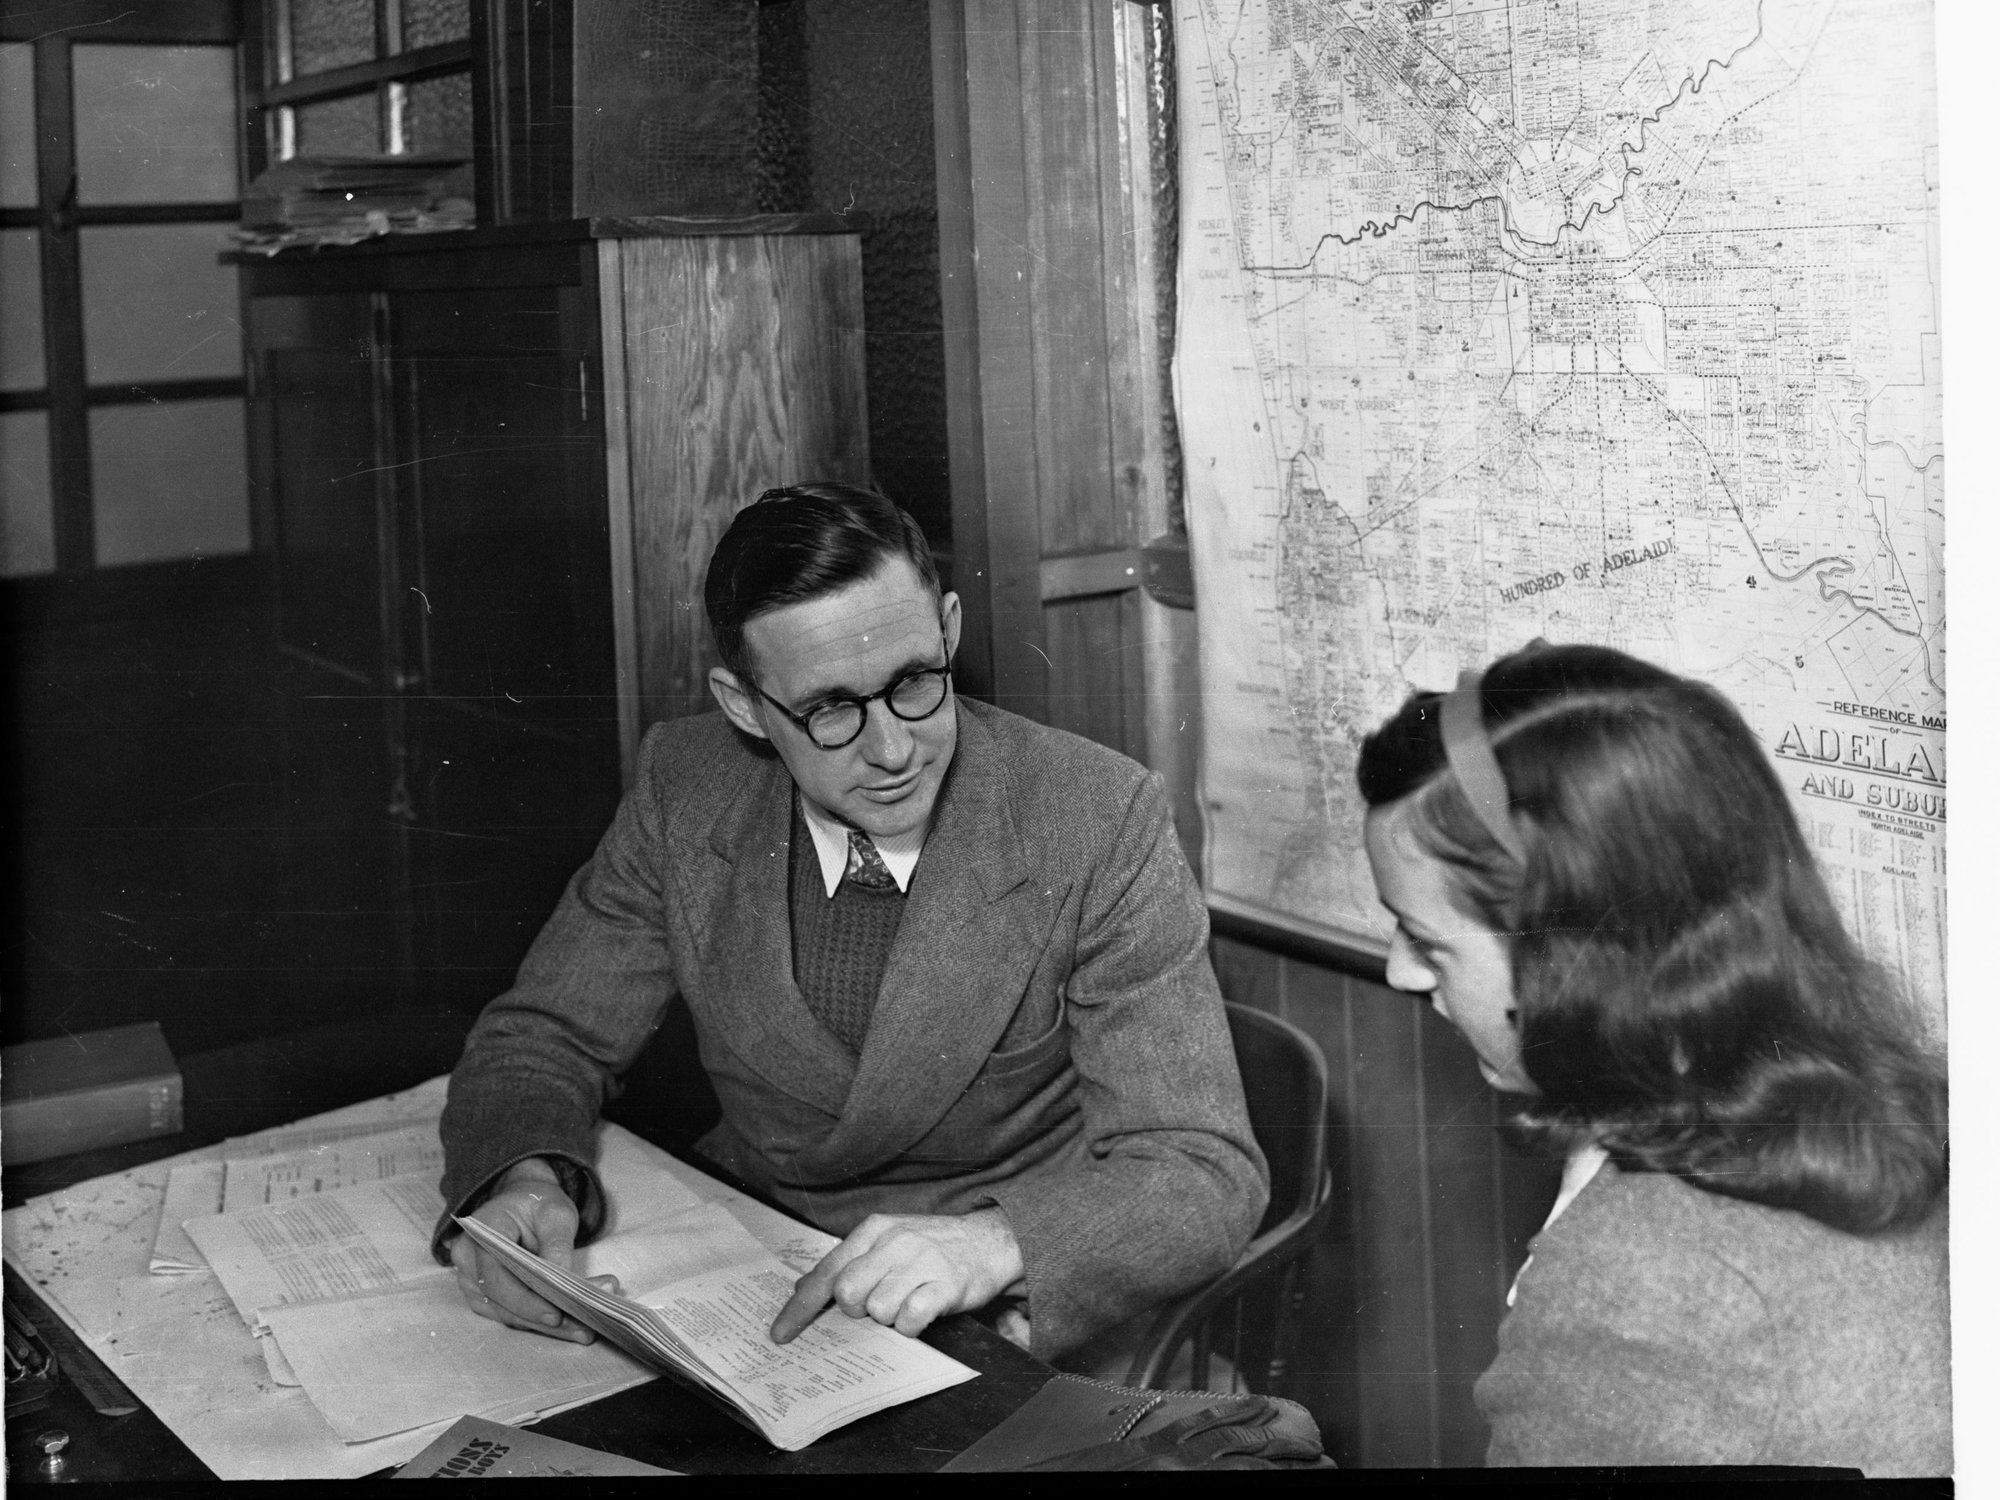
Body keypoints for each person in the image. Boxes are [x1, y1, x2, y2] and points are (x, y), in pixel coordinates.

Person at [433, 482, 1267, 1365]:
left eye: (914, 683)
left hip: (1011, 1304)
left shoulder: (1096, 817)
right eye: (831, 710)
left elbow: (1201, 1172)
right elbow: (544, 1035)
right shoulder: (687, 789)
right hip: (756, 1267)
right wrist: (525, 1173)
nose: (895, 750)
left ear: (947, 629)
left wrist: (992, 1247)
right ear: (746, 705)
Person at [1356, 642, 1949, 1475]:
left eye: (1423, 938)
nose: (1399, 970)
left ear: (1574, 955)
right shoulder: (1907, 1106)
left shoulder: (1635, 1286)